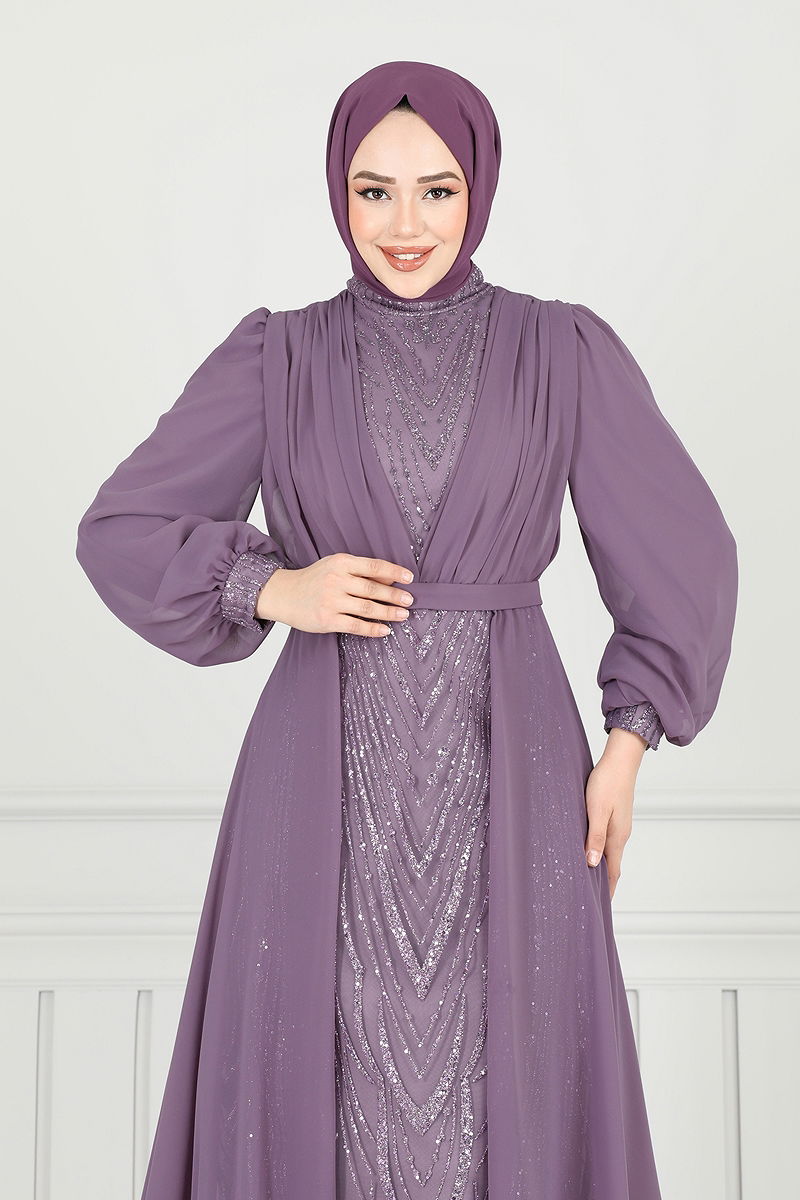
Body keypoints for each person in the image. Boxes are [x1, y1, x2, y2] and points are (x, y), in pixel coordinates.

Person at [75, 60, 738, 1200]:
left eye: (437, 190)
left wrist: (628, 745)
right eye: (372, 191)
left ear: (480, 186)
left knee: (510, 1077)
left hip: (516, 768)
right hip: (316, 774)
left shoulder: (559, 349)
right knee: (318, 1066)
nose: (404, 224)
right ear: (337, 192)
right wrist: (272, 588)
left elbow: (684, 552)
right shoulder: (278, 355)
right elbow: (121, 529)